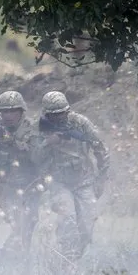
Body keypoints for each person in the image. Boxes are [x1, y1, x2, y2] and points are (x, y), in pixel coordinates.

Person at [32, 91, 110, 263]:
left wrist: (101, 179)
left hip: (84, 181)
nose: (58, 118)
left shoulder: (80, 123)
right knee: (67, 219)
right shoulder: (39, 128)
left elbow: (100, 149)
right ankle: (66, 258)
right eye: (53, 115)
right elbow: (34, 157)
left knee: (87, 225)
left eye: (61, 114)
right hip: (58, 183)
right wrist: (48, 142)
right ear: (46, 114)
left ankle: (74, 259)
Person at [0, 91, 42, 270]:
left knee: (27, 224)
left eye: (12, 111)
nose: (8, 116)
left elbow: (35, 155)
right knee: (19, 225)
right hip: (7, 188)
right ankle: (5, 263)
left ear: (21, 111)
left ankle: (9, 264)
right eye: (4, 112)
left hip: (29, 187)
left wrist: (10, 141)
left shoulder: (31, 130)